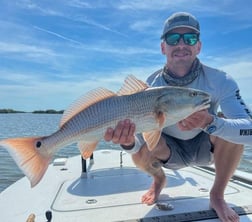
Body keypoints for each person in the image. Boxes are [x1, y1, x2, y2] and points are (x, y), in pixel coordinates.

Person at [104, 12, 252, 222]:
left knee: (231, 129)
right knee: (144, 141)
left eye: (189, 39)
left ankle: (217, 195)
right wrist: (127, 143)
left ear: (198, 46)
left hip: (206, 148)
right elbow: (137, 146)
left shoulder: (221, 80)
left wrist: (212, 123)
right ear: (163, 47)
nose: (181, 44)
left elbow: (249, 130)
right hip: (168, 151)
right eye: (173, 39)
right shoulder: (151, 85)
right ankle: (158, 181)